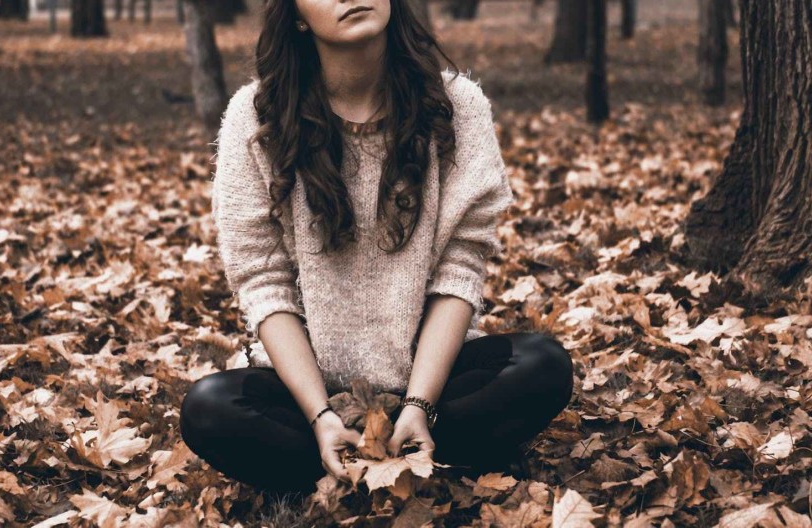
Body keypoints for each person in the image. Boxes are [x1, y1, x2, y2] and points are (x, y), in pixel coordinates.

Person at [179, 0, 575, 495]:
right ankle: (351, 455)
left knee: (544, 365)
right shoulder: (255, 118)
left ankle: (404, 448)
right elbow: (264, 287)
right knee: (208, 408)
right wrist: (322, 414)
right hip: (309, 392)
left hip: (435, 382)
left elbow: (461, 268)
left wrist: (418, 405)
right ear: (297, 16)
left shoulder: (457, 106)